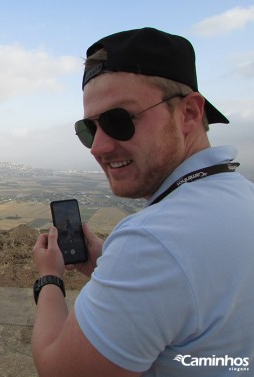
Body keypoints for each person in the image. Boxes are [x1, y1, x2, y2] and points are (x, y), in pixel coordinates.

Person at [32, 27, 254, 376]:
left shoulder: (153, 240)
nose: (98, 147)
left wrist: (49, 276)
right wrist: (106, 263)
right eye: (89, 129)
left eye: (119, 121)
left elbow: (58, 368)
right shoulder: (241, 195)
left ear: (190, 114)